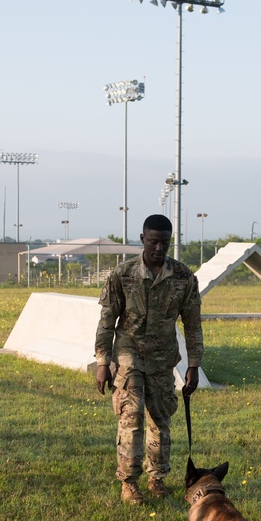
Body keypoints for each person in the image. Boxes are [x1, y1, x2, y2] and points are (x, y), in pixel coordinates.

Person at [95, 214, 204, 505]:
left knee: (161, 419)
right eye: (153, 242)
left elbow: (192, 324)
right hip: (129, 355)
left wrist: (194, 365)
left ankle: (157, 478)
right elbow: (107, 319)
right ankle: (129, 483)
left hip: (162, 358)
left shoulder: (183, 278)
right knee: (132, 416)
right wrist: (103, 361)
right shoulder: (124, 274)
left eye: (164, 243)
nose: (158, 248)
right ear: (142, 239)